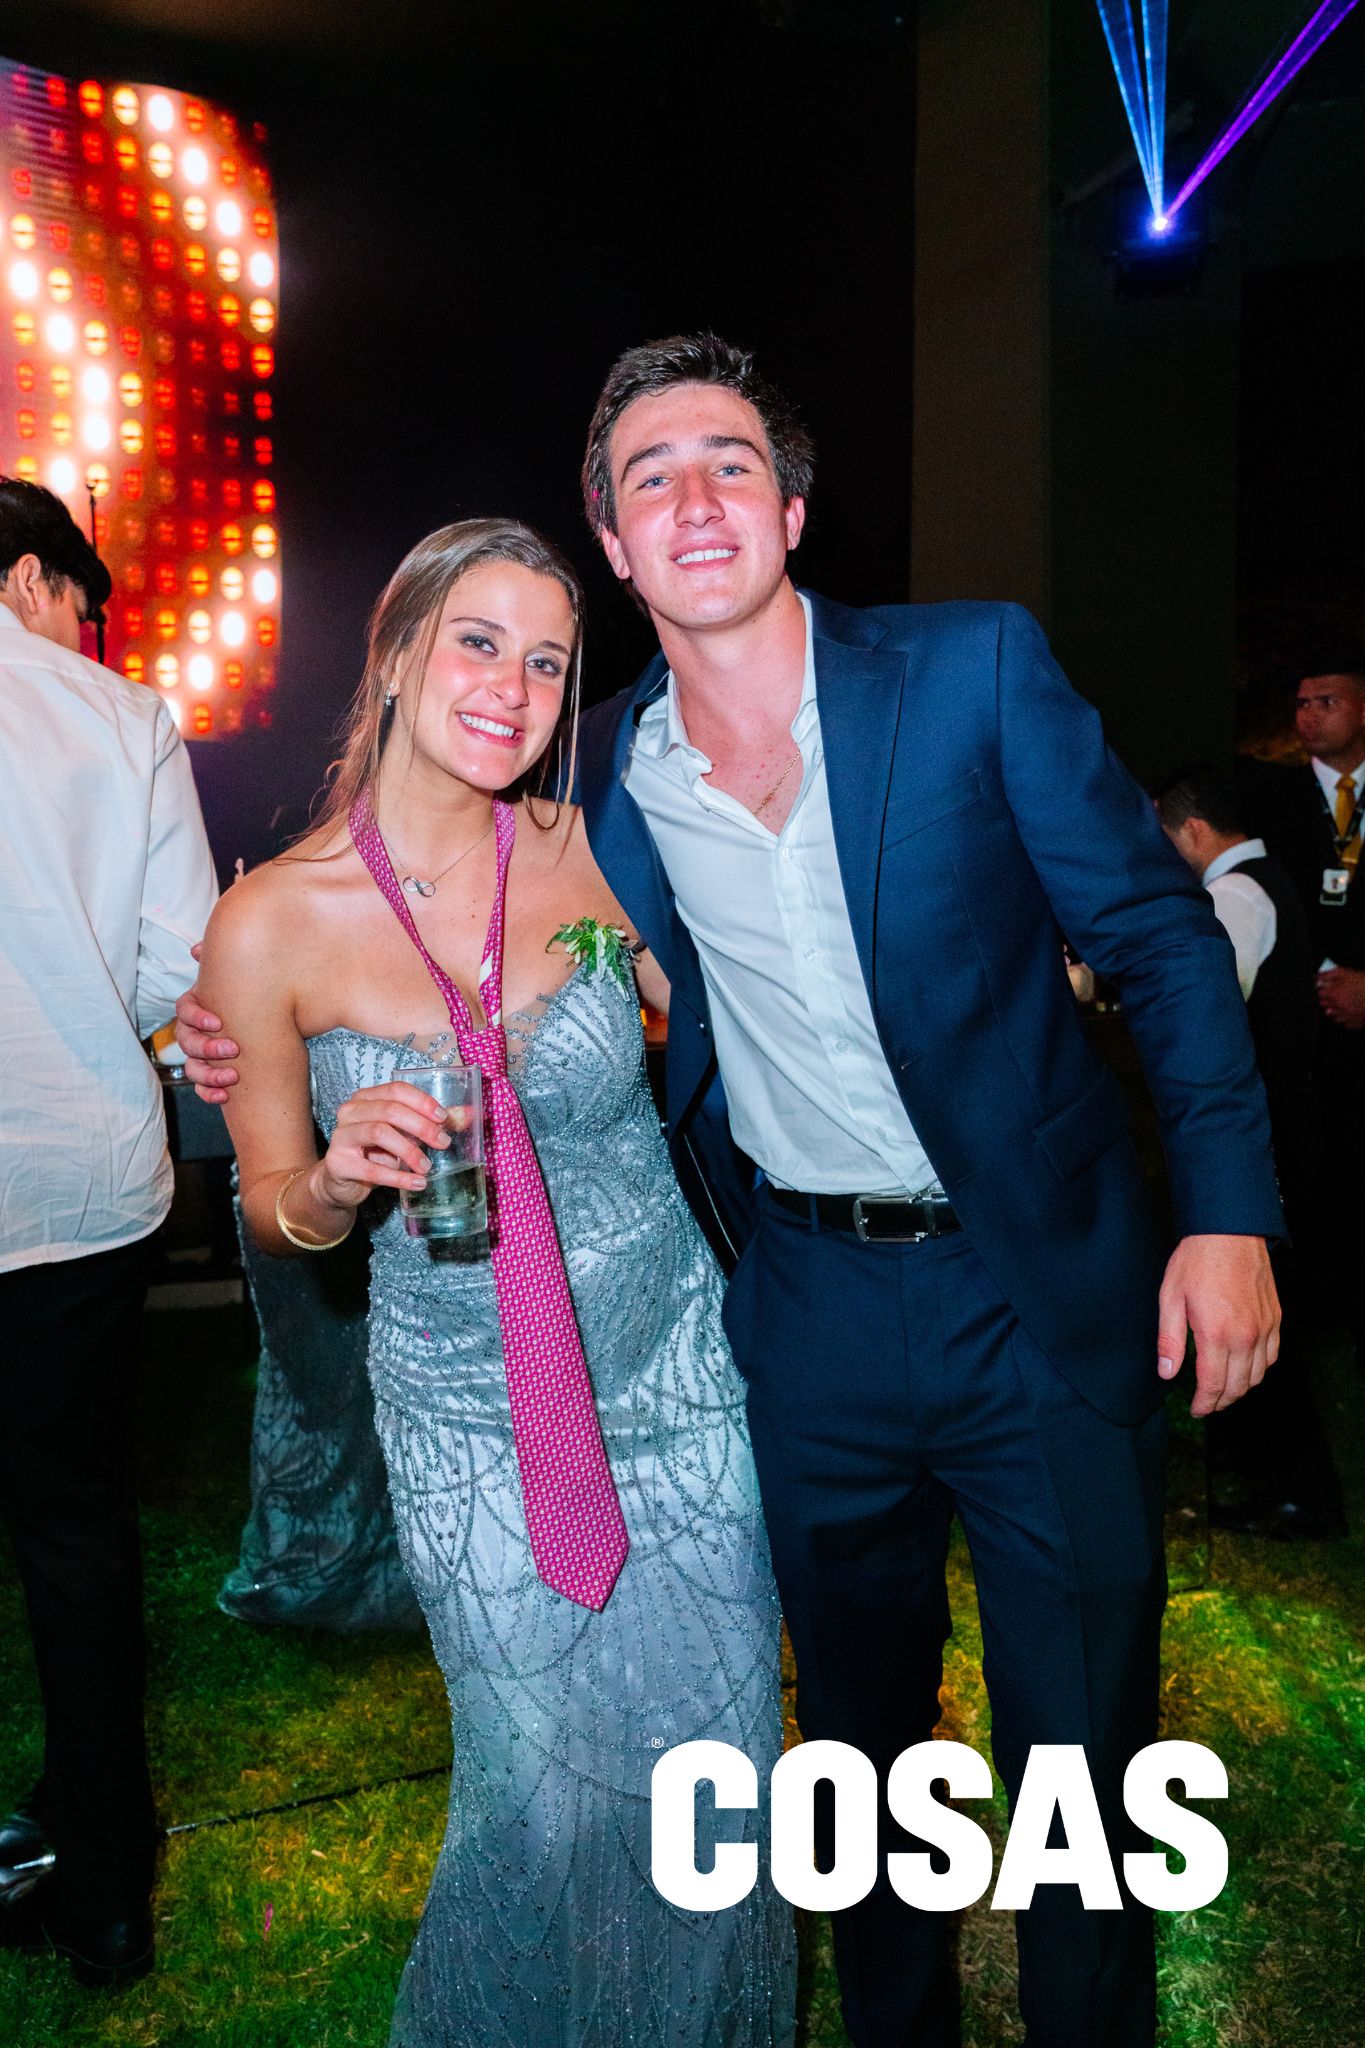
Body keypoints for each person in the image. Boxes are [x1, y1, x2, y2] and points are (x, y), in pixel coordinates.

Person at [181, 338, 1283, 2048]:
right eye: (651, 475)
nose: (693, 497)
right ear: (616, 542)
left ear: (793, 505)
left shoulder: (970, 669)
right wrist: (244, 1041)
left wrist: (1228, 1214)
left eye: (729, 461)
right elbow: (446, 959)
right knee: (849, 1760)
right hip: (801, 1312)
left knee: (1081, 1760)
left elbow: (1154, 934)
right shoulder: (602, 781)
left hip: (1037, 1290)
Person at [192, 518, 794, 2048]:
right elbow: (268, 1209)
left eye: (545, 662)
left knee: (718, 1781)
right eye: (477, 643)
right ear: (397, 653)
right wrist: (333, 1184)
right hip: (470, 1425)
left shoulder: (596, 848)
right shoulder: (267, 924)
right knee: (538, 1801)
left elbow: (753, 1015)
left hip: (676, 1384)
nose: (511, 690)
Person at [0, 478, 218, 1985]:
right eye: (86, 601)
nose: (90, 630)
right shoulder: (122, 718)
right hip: (74, 1186)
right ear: (32, 578)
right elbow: (175, 965)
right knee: (71, 1530)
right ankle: (105, 1891)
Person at [1154, 762, 1342, 1538]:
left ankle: (1295, 1493)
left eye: (1164, 835)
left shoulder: (1233, 895)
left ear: (1193, 830)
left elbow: (1206, 1013)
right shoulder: (1263, 881)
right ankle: (1268, 1475)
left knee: (1271, 1317)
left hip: (1269, 1133)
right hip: (1287, 1121)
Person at [1243, 657, 1365, 1363]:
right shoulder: (1270, 799)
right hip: (1304, 1024)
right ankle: (1310, 1310)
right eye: (1301, 703)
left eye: (1326, 701)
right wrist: (1322, 979)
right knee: (1310, 1164)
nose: (1308, 715)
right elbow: (1268, 899)